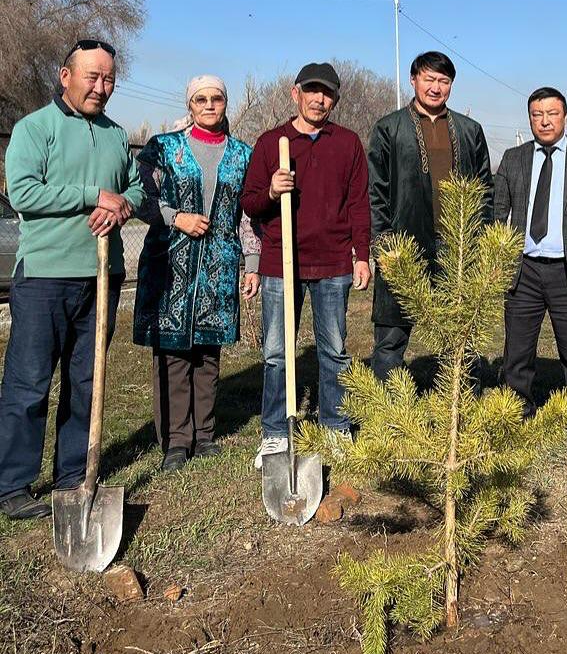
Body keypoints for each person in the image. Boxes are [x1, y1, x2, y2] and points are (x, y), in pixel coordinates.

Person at [0, 39, 143, 520]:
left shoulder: (118, 134)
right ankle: (14, 485)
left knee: (87, 382)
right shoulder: (35, 128)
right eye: (92, 77)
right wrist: (94, 195)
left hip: (102, 276)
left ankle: (72, 476)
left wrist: (123, 204)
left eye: (108, 79)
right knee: (29, 383)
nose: (101, 88)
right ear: (66, 75)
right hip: (44, 276)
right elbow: (23, 191)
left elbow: (138, 187)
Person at [241, 62, 371, 465]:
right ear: (295, 93)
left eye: (327, 93)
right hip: (282, 264)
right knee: (278, 353)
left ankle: (335, 427)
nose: (319, 99)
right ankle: (276, 433)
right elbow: (249, 202)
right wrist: (271, 191)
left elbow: (359, 204)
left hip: (333, 264)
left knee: (334, 350)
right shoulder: (271, 143)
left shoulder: (347, 143)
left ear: (334, 99)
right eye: (312, 91)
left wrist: (362, 254)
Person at [133, 76, 261, 471]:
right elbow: (141, 196)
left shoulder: (242, 155)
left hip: (219, 265)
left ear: (226, 103)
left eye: (217, 98)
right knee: (172, 352)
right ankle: (175, 441)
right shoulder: (163, 148)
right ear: (190, 105)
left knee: (207, 352)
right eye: (201, 99)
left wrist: (251, 264)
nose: (209, 105)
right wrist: (177, 218)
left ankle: (204, 435)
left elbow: (247, 214)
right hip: (170, 263)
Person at [493, 88, 567, 450]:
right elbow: (497, 211)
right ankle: (517, 416)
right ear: (529, 118)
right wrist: (494, 261)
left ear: (565, 116)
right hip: (523, 270)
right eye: (537, 114)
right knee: (517, 351)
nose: (544, 121)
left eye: (552, 113)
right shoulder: (513, 159)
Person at [367, 51, 493, 379]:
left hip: (458, 246)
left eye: (444, 81)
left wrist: (479, 240)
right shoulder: (388, 129)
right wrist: (384, 242)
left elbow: (484, 190)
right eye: (429, 79)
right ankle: (390, 416)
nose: (436, 88)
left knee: (461, 336)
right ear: (413, 80)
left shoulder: (469, 131)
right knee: (391, 338)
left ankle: (459, 414)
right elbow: (375, 192)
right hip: (403, 244)